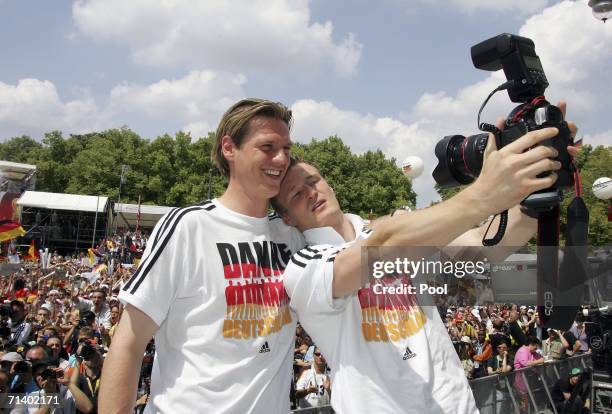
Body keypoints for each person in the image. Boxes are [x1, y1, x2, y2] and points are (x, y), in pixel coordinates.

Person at [271, 121, 578, 413]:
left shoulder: (397, 229)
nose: (311, 192)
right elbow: (383, 247)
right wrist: (484, 193)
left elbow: (487, 245)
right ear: (287, 218)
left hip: (456, 404)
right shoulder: (302, 267)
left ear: (330, 184)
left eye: (314, 181)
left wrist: (542, 180)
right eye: (297, 194)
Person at [100, 98, 304, 413]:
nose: (281, 159)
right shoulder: (188, 226)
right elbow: (128, 344)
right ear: (229, 148)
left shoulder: (294, 235)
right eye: (268, 147)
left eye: (287, 150)